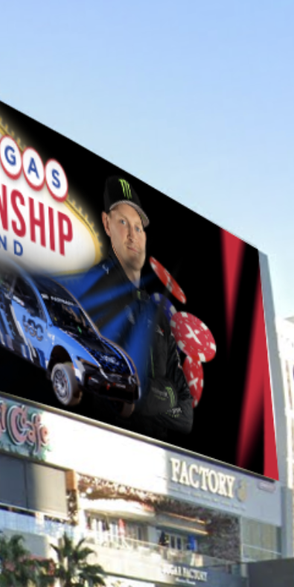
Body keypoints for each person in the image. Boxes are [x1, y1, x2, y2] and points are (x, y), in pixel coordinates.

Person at [66, 175, 195, 432]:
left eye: (138, 227)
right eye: (123, 222)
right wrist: (165, 394)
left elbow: (186, 417)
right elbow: (107, 393)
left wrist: (141, 399)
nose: (132, 235)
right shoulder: (91, 291)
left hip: (159, 458)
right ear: (106, 223)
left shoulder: (157, 314)